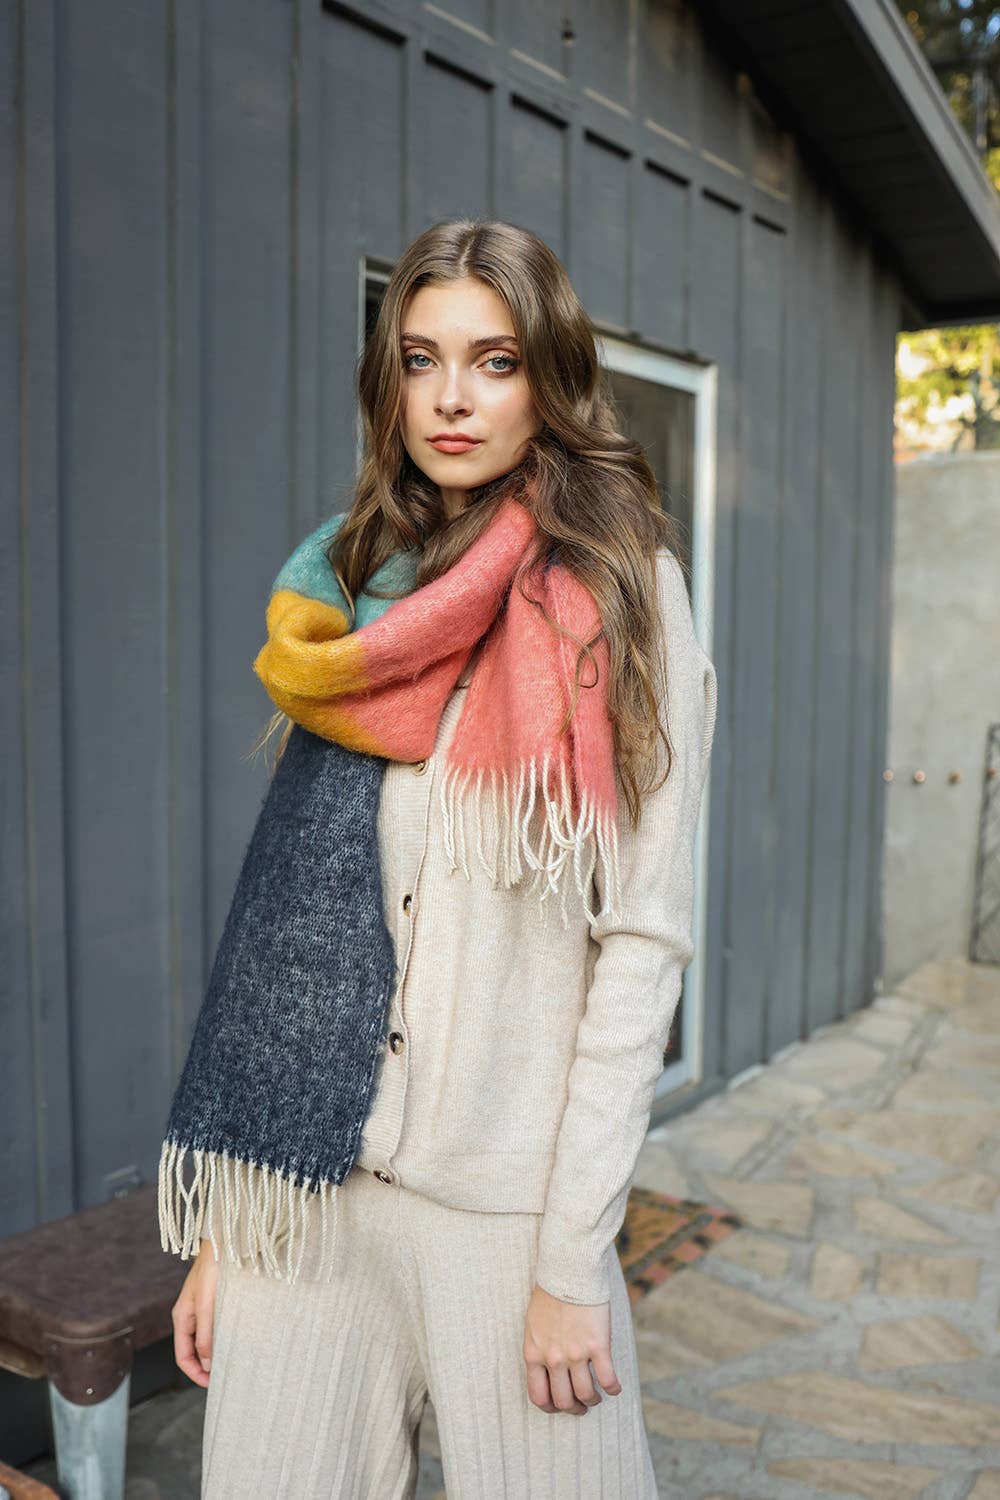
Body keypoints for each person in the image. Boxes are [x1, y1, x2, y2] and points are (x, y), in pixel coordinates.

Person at [163, 218, 717, 1499]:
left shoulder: (624, 597)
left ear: (549, 378)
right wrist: (233, 1230)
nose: (453, 398)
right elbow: (282, 940)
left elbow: (640, 941)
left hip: (506, 1219)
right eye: (422, 360)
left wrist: (570, 1262)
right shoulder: (357, 583)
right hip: (310, 1193)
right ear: (391, 382)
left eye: (494, 361)